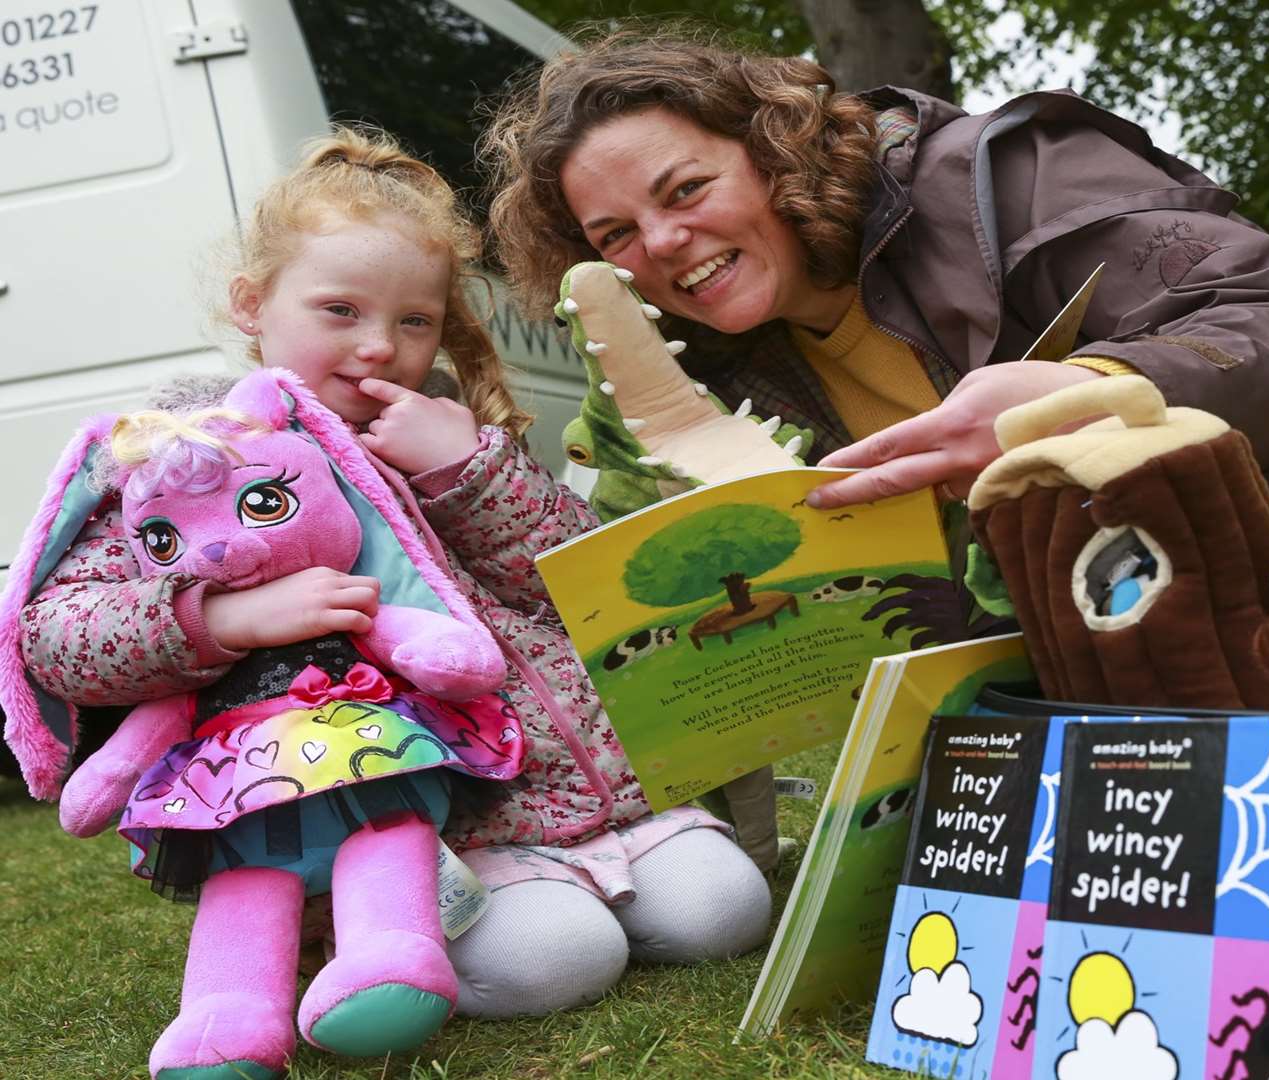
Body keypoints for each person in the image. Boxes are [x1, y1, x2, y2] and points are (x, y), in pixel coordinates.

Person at [17, 128, 772, 1027]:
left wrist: (472, 471)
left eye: (414, 321)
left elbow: (577, 581)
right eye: (341, 310)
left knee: (726, 910)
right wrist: (224, 615)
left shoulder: (444, 428)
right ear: (254, 303)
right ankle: (384, 936)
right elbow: (59, 634)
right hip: (445, 827)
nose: (381, 347)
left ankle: (598, 880)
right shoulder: (184, 456)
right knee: (555, 961)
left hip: (596, 789)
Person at [481, 27, 1269, 542]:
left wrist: (1084, 396)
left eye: (687, 188)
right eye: (617, 234)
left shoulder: (999, 174)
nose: (662, 243)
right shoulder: (730, 367)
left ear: (773, 152)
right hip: (1159, 629)